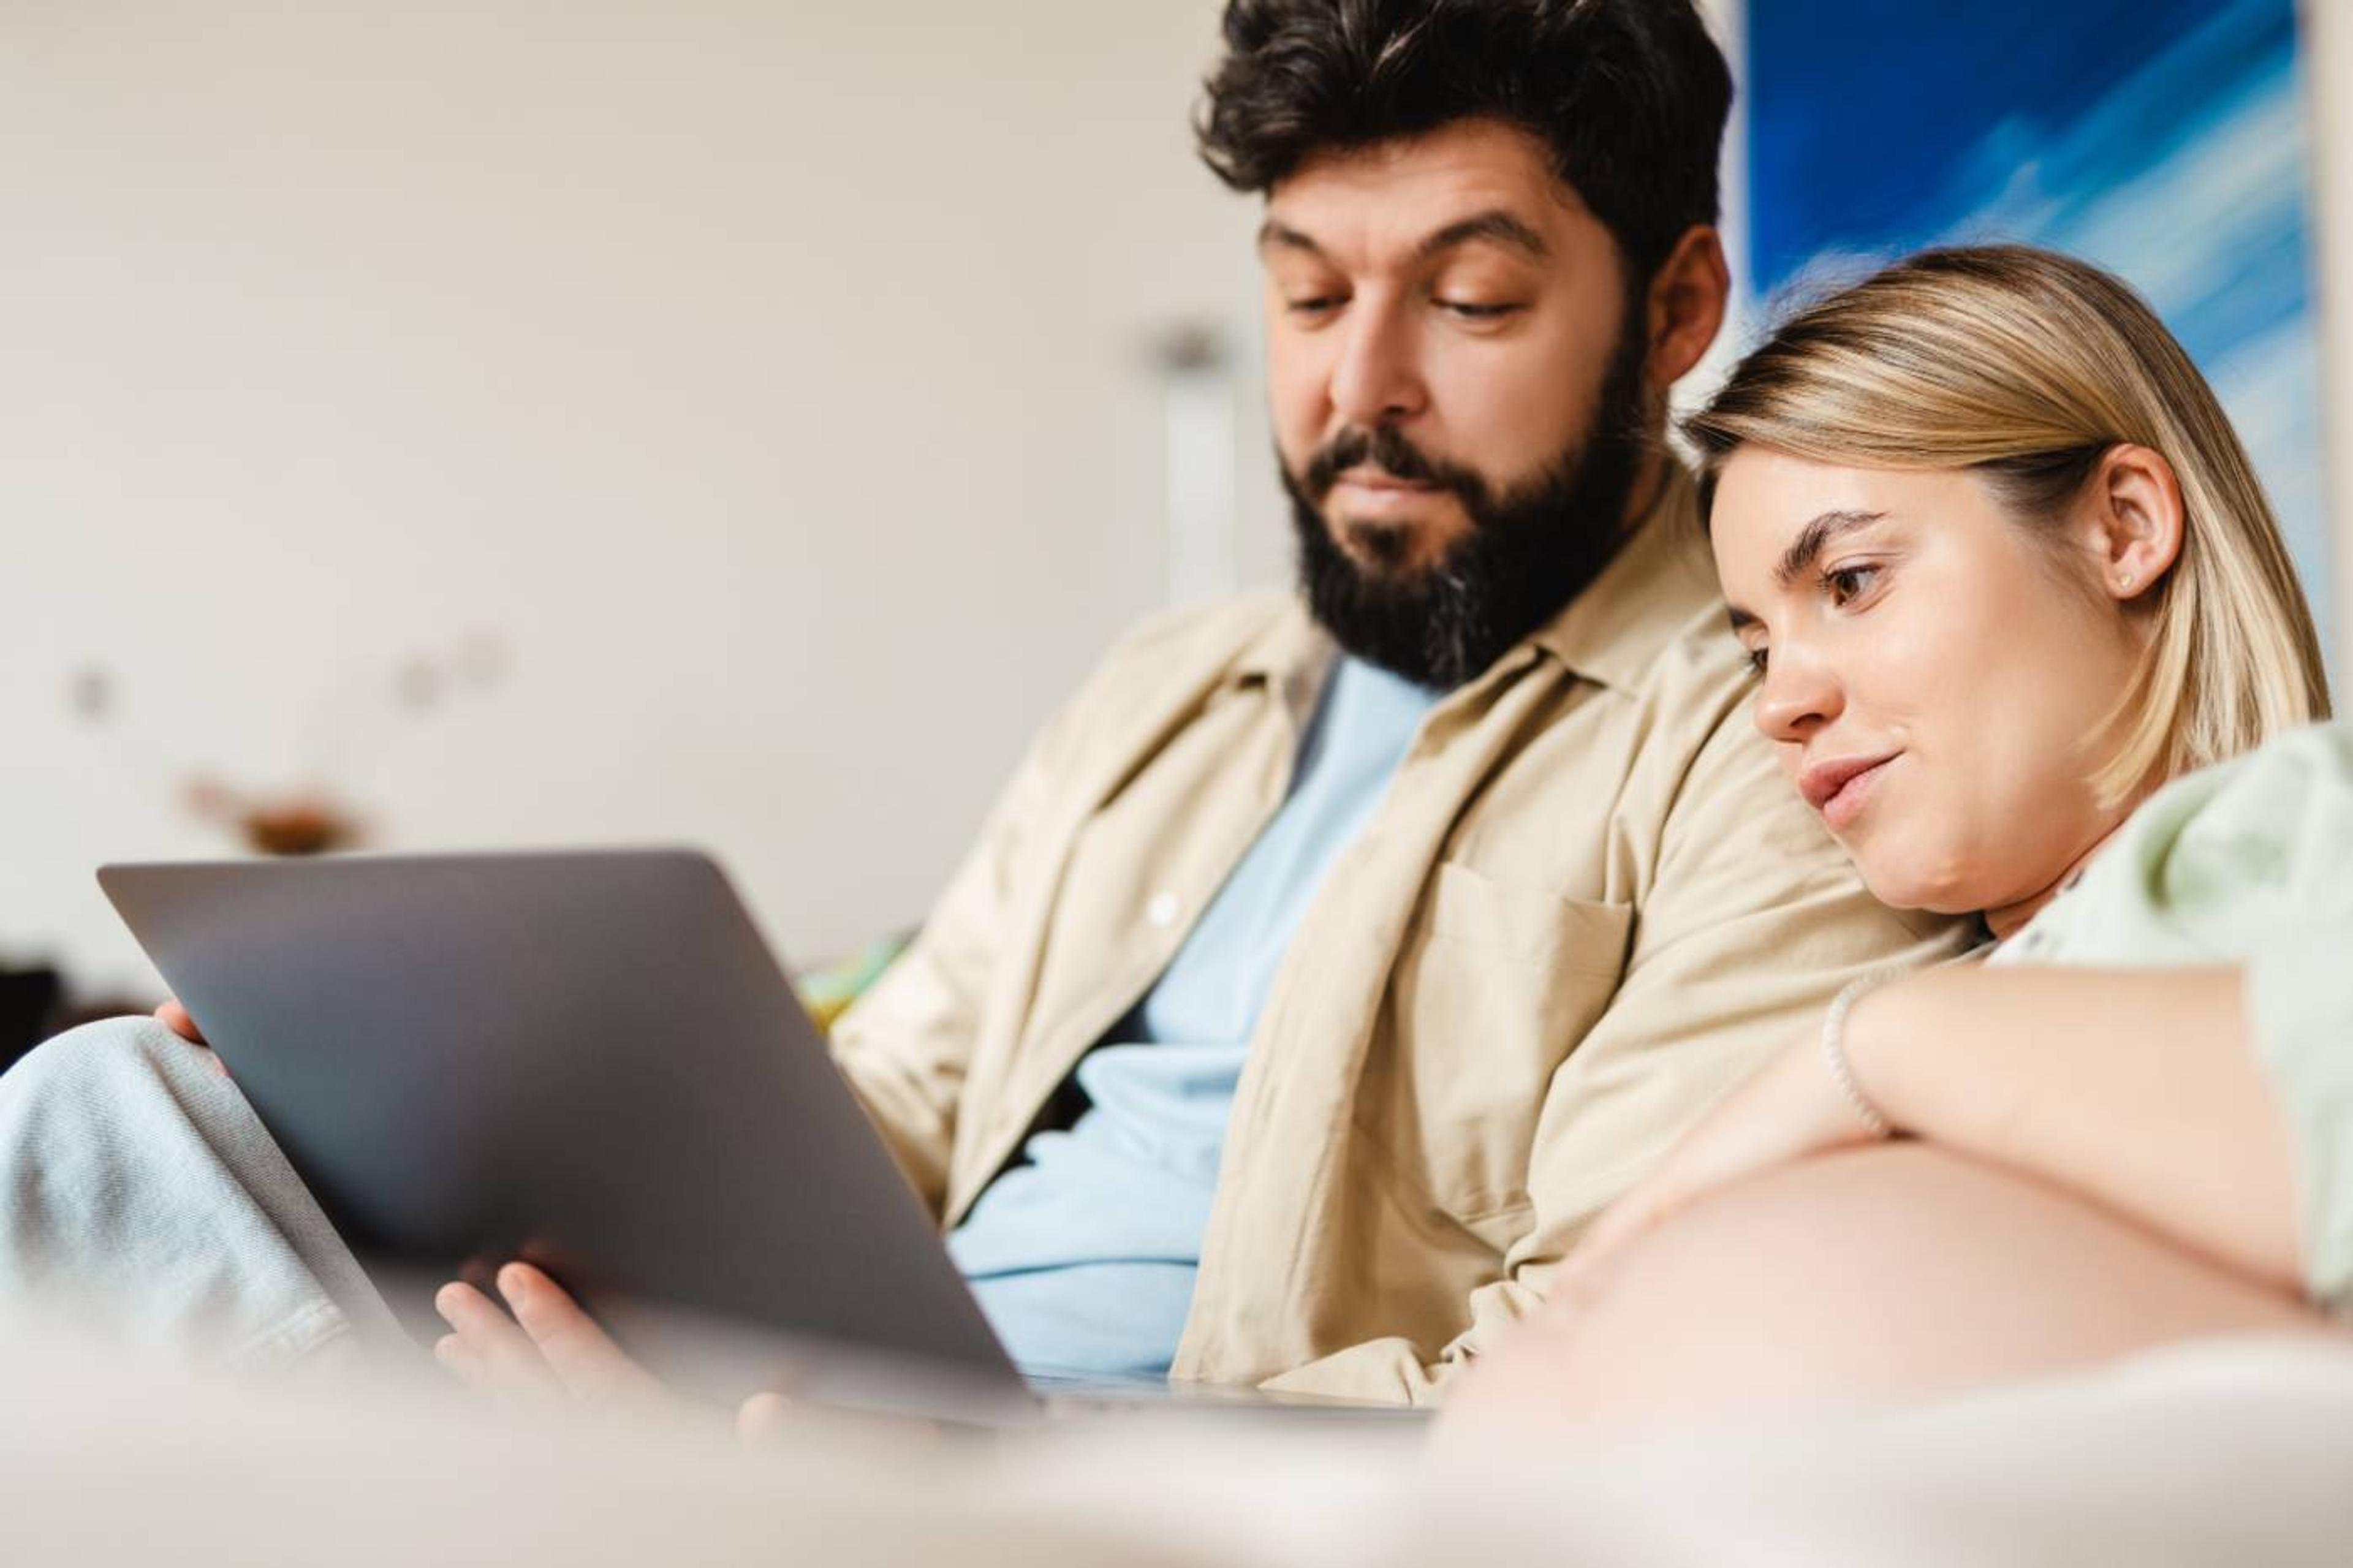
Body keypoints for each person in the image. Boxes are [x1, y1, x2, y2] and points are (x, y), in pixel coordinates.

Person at [0, 0, 1968, 1409]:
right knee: (101, 1103)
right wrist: (422, 1110)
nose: (1361, 388)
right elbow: (887, 1110)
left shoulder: (1779, 729)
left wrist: (957, 1465)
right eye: (1303, 292)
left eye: (1469, 301)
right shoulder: (1174, 690)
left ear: (1683, 305)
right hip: (804, 1397)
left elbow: (1596, 1353)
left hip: (1059, 1482)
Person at [1446, 243, 2347, 1433]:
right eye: (1757, 646)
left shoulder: (2305, 819)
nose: (1778, 702)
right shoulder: (1933, 973)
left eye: (1855, 580)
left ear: (2123, 527)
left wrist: (1877, 1049)